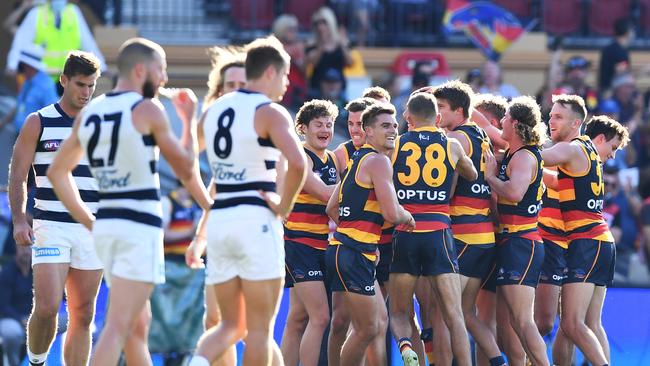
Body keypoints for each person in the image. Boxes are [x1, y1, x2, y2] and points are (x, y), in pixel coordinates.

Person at [46, 37, 211, 366]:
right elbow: (186, 168)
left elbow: (56, 173)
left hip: (107, 223)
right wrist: (188, 119)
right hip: (138, 226)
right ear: (141, 70)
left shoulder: (92, 111)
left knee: (138, 326)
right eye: (161, 70)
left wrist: (88, 221)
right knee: (119, 327)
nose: (164, 79)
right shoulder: (147, 108)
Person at [188, 36, 307, 366]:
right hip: (256, 221)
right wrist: (283, 207)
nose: (286, 84)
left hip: (221, 219)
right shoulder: (269, 111)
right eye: (285, 76)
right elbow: (298, 162)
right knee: (259, 330)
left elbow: (186, 160)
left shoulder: (213, 109)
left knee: (230, 324)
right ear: (270, 72)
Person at [7, 51, 100, 366]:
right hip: (51, 225)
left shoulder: (100, 123)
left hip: (92, 227)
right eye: (80, 84)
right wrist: (20, 221)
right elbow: (18, 175)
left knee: (83, 313)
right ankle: (36, 362)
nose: (86, 92)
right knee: (46, 307)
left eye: (91, 85)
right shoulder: (39, 121)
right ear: (63, 81)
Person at [389, 92, 476, 366]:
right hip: (439, 232)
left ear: (408, 118)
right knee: (454, 315)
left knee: (400, 313)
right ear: (437, 118)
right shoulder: (451, 145)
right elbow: (471, 174)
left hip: (406, 231)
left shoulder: (397, 144)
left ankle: (406, 349)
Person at [325, 102, 415, 366]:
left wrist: (358, 234)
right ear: (368, 131)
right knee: (367, 328)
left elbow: (332, 207)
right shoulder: (378, 161)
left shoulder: (359, 159)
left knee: (373, 324)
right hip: (352, 254)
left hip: (350, 251)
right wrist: (408, 217)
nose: (393, 130)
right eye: (385, 126)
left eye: (395, 125)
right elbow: (391, 213)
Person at [540, 115, 629, 366]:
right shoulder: (588, 160)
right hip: (600, 242)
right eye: (612, 148)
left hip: (586, 242)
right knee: (588, 323)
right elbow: (552, 179)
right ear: (599, 138)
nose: (612, 156)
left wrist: (511, 151)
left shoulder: (579, 150)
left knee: (570, 323)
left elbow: (536, 157)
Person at [432, 81, 506, 366]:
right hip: (484, 236)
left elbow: (446, 191)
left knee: (444, 313)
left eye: (441, 109)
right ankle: (498, 361)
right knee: (465, 311)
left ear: (459, 110)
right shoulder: (480, 134)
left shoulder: (456, 140)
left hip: (463, 234)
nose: (437, 115)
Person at [185, 44, 247, 366]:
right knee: (216, 320)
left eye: (241, 85)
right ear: (219, 90)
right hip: (222, 232)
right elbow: (198, 172)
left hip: (257, 231)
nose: (235, 92)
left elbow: (292, 169)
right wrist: (201, 236)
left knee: (250, 328)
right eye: (229, 86)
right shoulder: (214, 122)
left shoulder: (264, 118)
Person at [484, 96, 549, 366]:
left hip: (522, 242)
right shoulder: (513, 151)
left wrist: (489, 177)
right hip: (512, 240)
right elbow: (487, 128)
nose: (500, 123)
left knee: (522, 321)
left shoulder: (523, 156)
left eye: (505, 118)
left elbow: (514, 192)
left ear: (516, 123)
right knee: (510, 323)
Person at [281, 99, 339, 366]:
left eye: (329, 124)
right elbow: (328, 196)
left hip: (319, 244)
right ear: (302, 128)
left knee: (297, 318)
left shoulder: (331, 159)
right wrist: (361, 175)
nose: (325, 129)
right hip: (299, 244)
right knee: (321, 317)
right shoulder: (300, 158)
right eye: (318, 124)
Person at [6, 0, 106, 87]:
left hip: (68, 77)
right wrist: (12, 65)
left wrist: (102, 65)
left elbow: (88, 42)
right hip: (42, 77)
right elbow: (20, 41)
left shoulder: (73, 12)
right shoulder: (36, 13)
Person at [0, 43, 58, 134]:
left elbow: (53, 116)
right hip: (18, 134)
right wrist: (3, 122)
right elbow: (20, 104)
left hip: (30, 140)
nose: (21, 69)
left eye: (23, 65)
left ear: (29, 66)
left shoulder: (46, 86)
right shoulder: (28, 81)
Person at [306, 6, 352, 98]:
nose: (320, 27)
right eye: (317, 24)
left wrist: (342, 44)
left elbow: (350, 63)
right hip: (317, 90)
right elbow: (313, 63)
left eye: (324, 22)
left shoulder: (341, 43)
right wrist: (321, 45)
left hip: (339, 89)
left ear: (331, 23)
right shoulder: (311, 44)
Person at [0, 244, 33, 366]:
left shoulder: (37, 272)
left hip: (35, 318)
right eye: (22, 248)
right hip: (11, 319)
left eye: (29, 248)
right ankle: (14, 363)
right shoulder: (7, 273)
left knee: (67, 321)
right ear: (16, 249)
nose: (26, 251)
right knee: (12, 333)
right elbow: (3, 306)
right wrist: (21, 320)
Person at [333, 97, 376, 173]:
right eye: (350, 124)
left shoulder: (389, 149)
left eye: (359, 124)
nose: (354, 130)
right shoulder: (340, 154)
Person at [598, 17, 633, 94]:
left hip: (611, 89)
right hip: (613, 91)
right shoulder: (618, 51)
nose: (633, 33)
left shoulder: (611, 48)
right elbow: (622, 72)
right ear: (627, 32)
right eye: (631, 30)